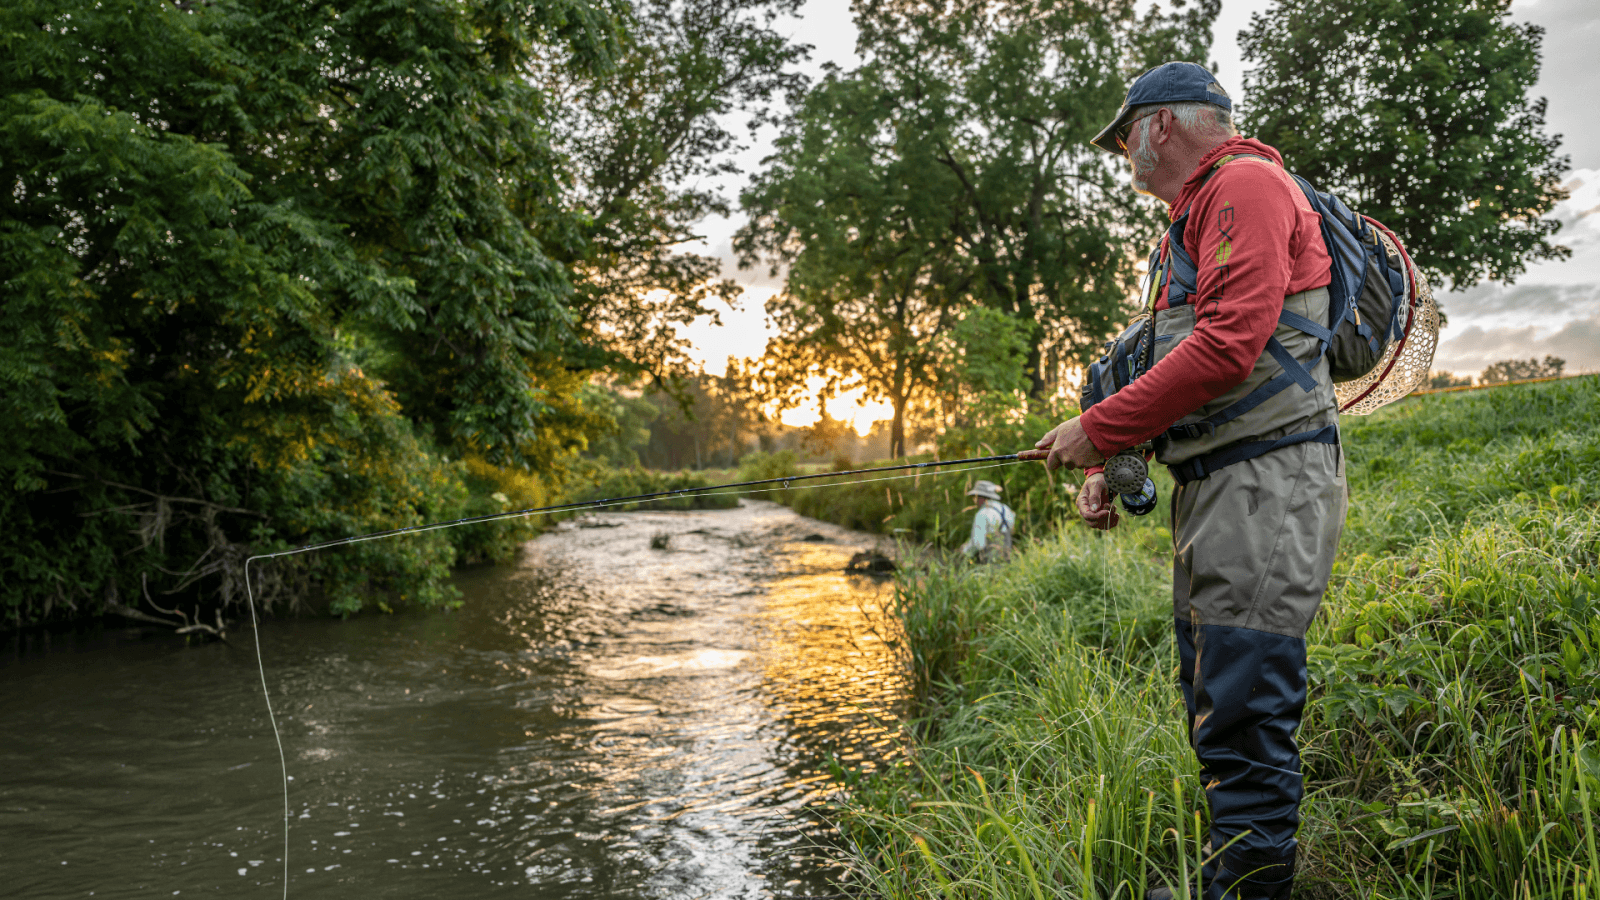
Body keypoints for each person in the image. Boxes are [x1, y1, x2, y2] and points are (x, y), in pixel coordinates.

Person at [1021, 62, 1347, 900]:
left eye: (1124, 134)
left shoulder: (1245, 184)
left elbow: (1230, 345)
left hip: (1266, 485)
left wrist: (1094, 428)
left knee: (1244, 706)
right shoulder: (1189, 222)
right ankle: (1231, 883)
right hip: (1218, 488)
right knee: (1212, 694)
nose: (1123, 152)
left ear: (1160, 125)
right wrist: (1114, 461)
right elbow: (1188, 370)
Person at [959, 480, 1015, 563]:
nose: (974, 500)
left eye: (974, 497)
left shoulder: (982, 514)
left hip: (989, 563)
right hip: (1006, 559)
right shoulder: (1005, 509)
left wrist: (964, 551)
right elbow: (1011, 529)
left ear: (980, 497)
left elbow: (978, 544)